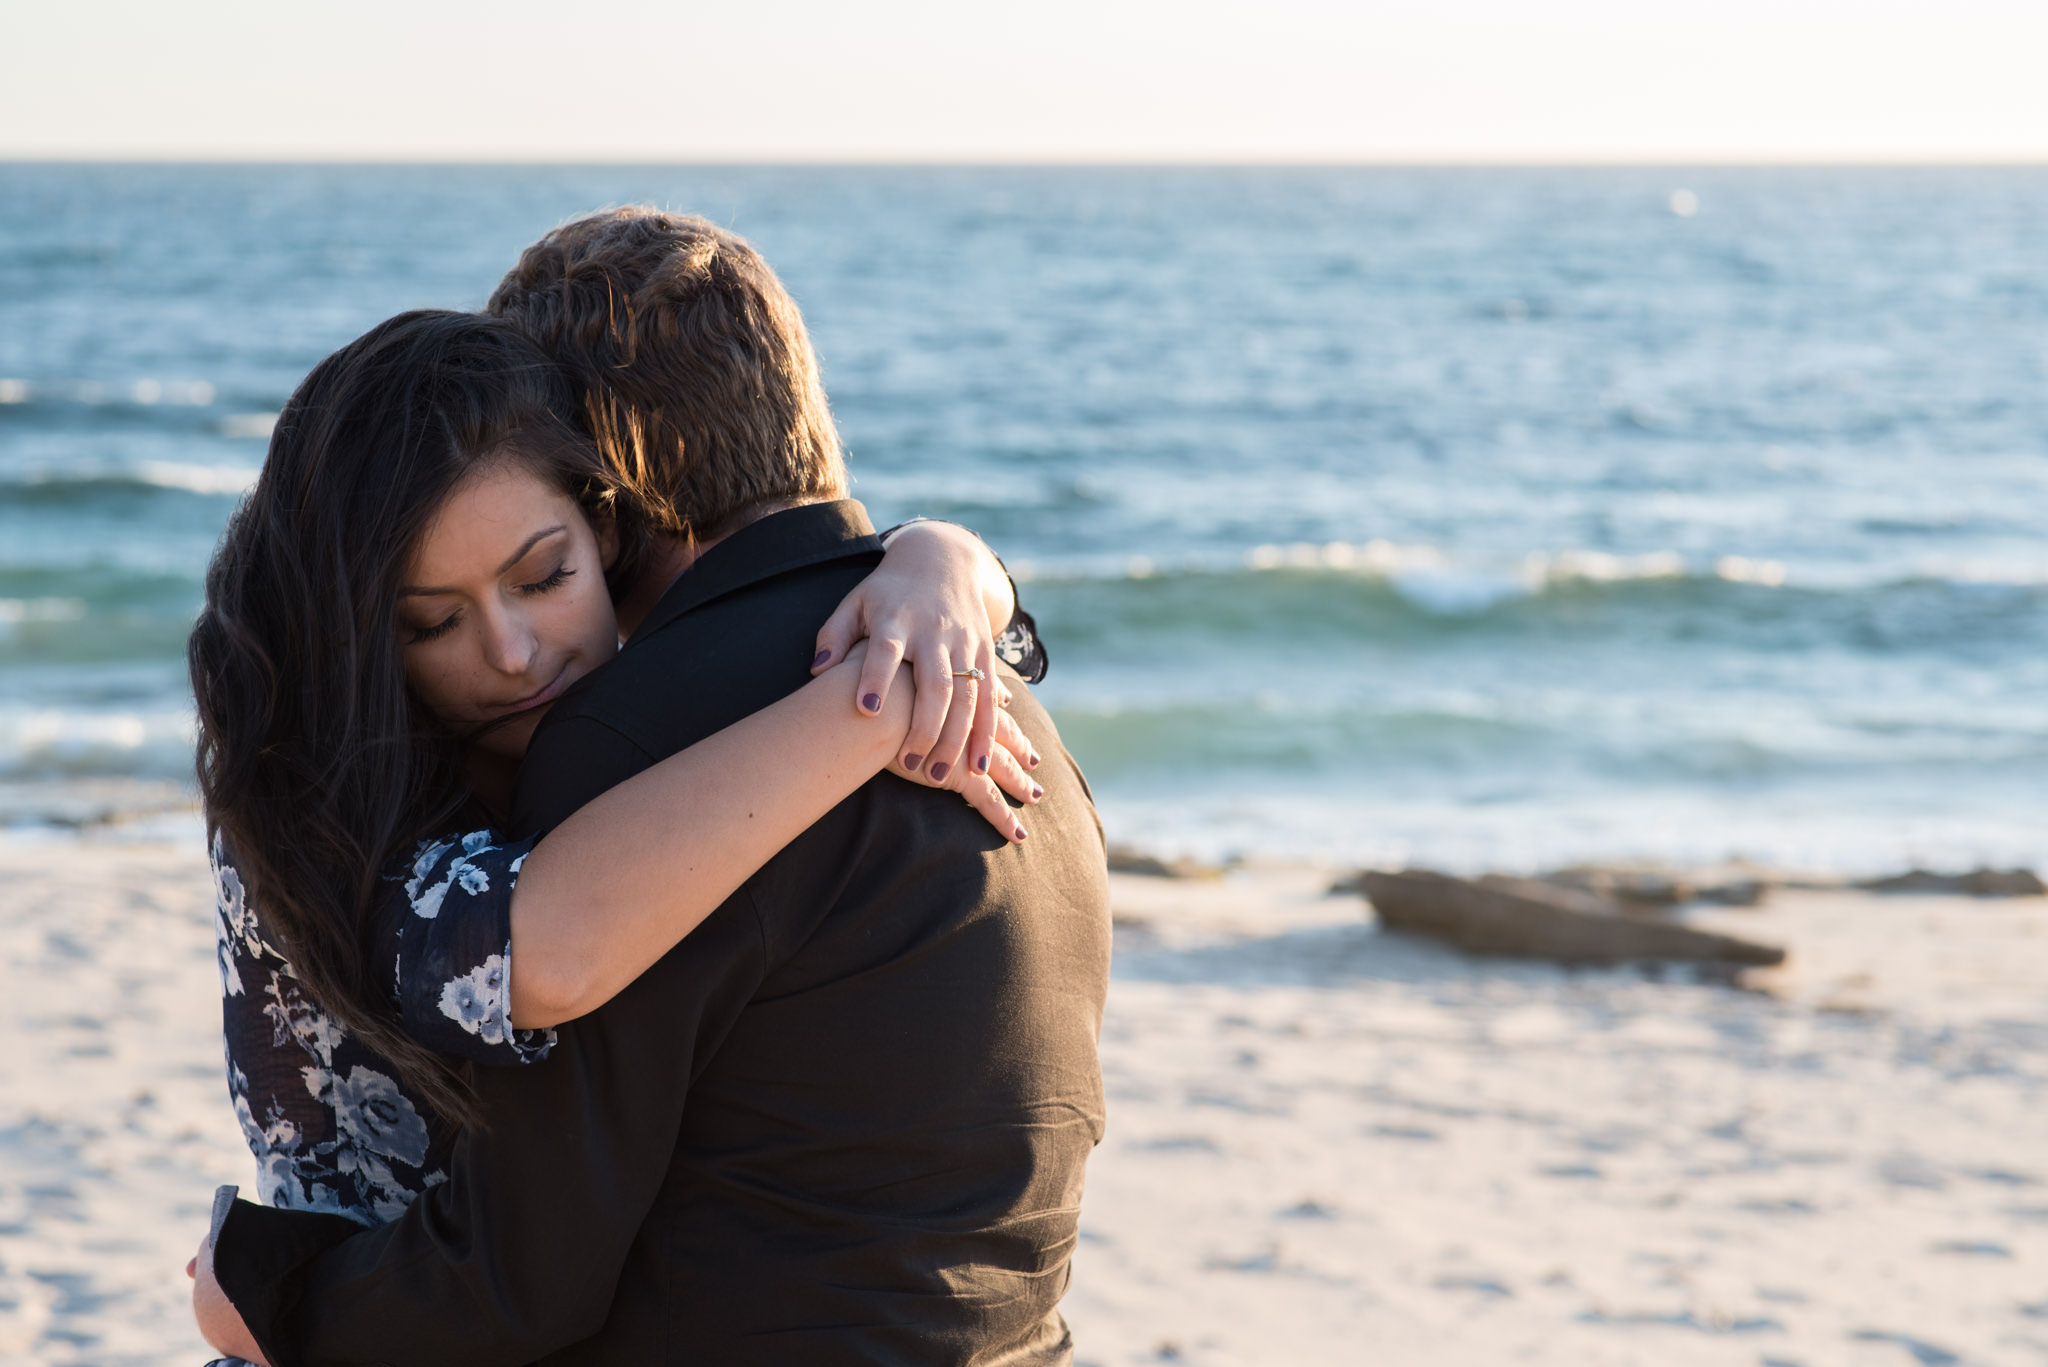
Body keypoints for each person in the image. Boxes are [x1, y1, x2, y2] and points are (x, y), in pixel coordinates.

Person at [205, 209, 1113, 1365]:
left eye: (541, 569)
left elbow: (520, 1268)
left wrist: (276, 1304)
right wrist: (949, 565)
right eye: (435, 619)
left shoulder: (641, 739)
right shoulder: (1005, 703)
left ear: (599, 485)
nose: (514, 651)